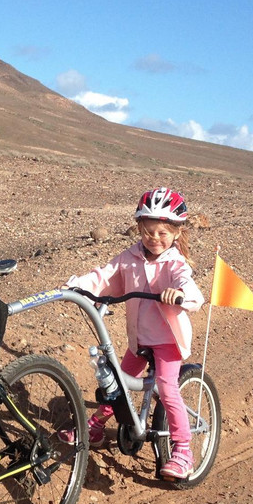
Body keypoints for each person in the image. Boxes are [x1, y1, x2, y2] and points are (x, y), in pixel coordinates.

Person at [63, 187, 205, 480]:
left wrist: (179, 294)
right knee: (116, 383)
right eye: (148, 232)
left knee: (167, 387)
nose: (154, 239)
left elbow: (190, 288)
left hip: (168, 342)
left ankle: (183, 450)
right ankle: (95, 427)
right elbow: (103, 275)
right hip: (138, 340)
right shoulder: (129, 257)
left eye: (162, 233)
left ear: (177, 232)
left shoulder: (175, 263)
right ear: (139, 228)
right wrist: (76, 287)